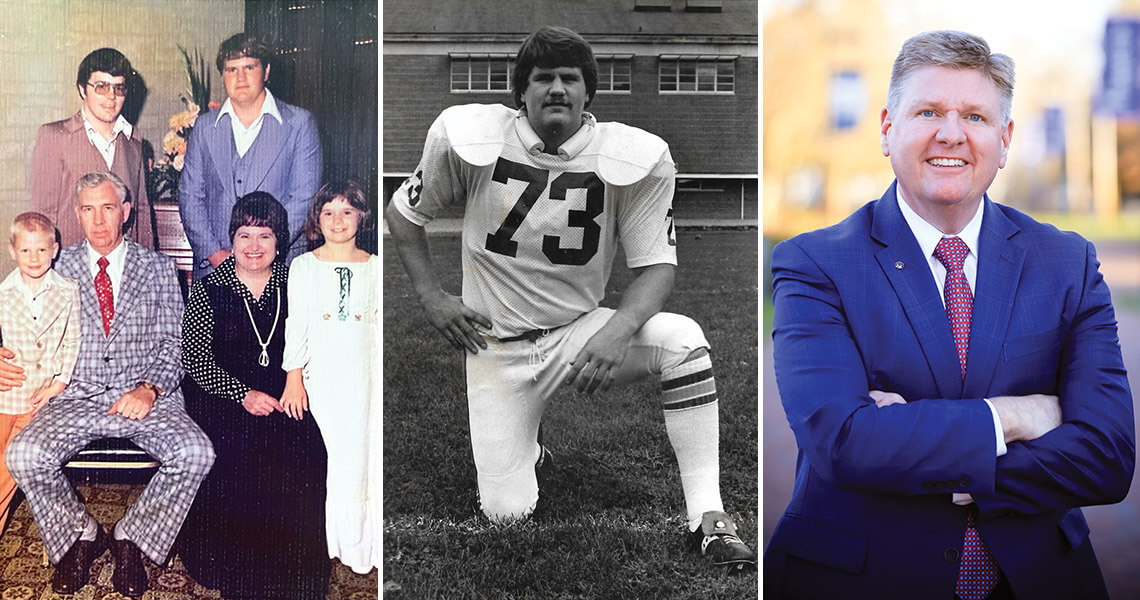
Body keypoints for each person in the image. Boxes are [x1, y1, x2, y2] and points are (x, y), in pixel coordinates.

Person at [766, 30, 1134, 600]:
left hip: (1042, 580)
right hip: (860, 581)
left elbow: (1107, 457)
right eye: (929, 111)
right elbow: (843, 443)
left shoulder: (1067, 262)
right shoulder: (816, 263)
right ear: (888, 129)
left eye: (976, 117)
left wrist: (921, 444)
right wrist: (1016, 417)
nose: (951, 134)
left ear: (1005, 139)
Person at [385, 25, 757, 570]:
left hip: (577, 334)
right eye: (542, 79)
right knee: (506, 513)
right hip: (495, 348)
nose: (556, 88)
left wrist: (618, 328)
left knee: (684, 341)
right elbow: (404, 214)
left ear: (588, 93)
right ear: (521, 92)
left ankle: (709, 516)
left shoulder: (635, 156)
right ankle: (530, 444)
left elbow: (657, 267)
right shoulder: (468, 136)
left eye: (569, 78)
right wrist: (431, 297)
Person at [1, 171, 215, 598]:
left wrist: (150, 388)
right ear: (77, 215)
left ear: (126, 211)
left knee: (196, 453)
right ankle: (80, 536)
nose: (98, 220)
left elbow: (177, 342)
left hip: (146, 398)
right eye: (88, 209)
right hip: (75, 395)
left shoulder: (158, 268)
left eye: (107, 208)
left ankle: (131, 539)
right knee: (23, 453)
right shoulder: (51, 264)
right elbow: (13, 309)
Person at [178, 192, 328, 598]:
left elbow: (314, 342)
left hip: (285, 389)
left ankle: (293, 574)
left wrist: (293, 386)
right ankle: (238, 573)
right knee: (240, 452)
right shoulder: (211, 288)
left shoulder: (293, 281)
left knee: (306, 449)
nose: (254, 246)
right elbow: (194, 359)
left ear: (279, 240)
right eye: (244, 235)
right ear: (232, 239)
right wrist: (243, 394)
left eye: (264, 235)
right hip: (223, 395)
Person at [281, 180, 377, 574]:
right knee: (328, 456)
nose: (338, 220)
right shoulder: (304, 266)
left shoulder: (374, 267)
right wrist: (293, 378)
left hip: (362, 379)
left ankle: (356, 543)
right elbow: (296, 325)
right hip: (321, 378)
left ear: (361, 217)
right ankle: (324, 543)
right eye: (329, 212)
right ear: (317, 220)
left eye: (347, 211)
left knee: (358, 457)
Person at [178, 32, 323, 281]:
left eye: (249, 67)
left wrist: (263, 252)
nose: (241, 77)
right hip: (216, 269)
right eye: (232, 70)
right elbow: (190, 196)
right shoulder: (204, 127)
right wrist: (214, 253)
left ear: (266, 72)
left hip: (277, 267)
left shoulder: (299, 124)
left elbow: (304, 197)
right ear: (223, 76)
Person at [0, 213, 80, 536]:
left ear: (55, 249)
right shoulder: (2, 293)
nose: (34, 259)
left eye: (41, 251)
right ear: (12, 251)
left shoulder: (67, 290)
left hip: (40, 395)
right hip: (7, 392)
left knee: (9, 466)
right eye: (26, 251)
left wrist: (60, 382)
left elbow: (73, 339)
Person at [30, 47, 154, 249]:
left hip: (122, 270)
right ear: (82, 89)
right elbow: (42, 216)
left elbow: (142, 216)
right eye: (101, 86)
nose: (111, 96)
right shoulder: (54, 137)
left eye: (118, 88)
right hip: (70, 269)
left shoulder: (134, 143)